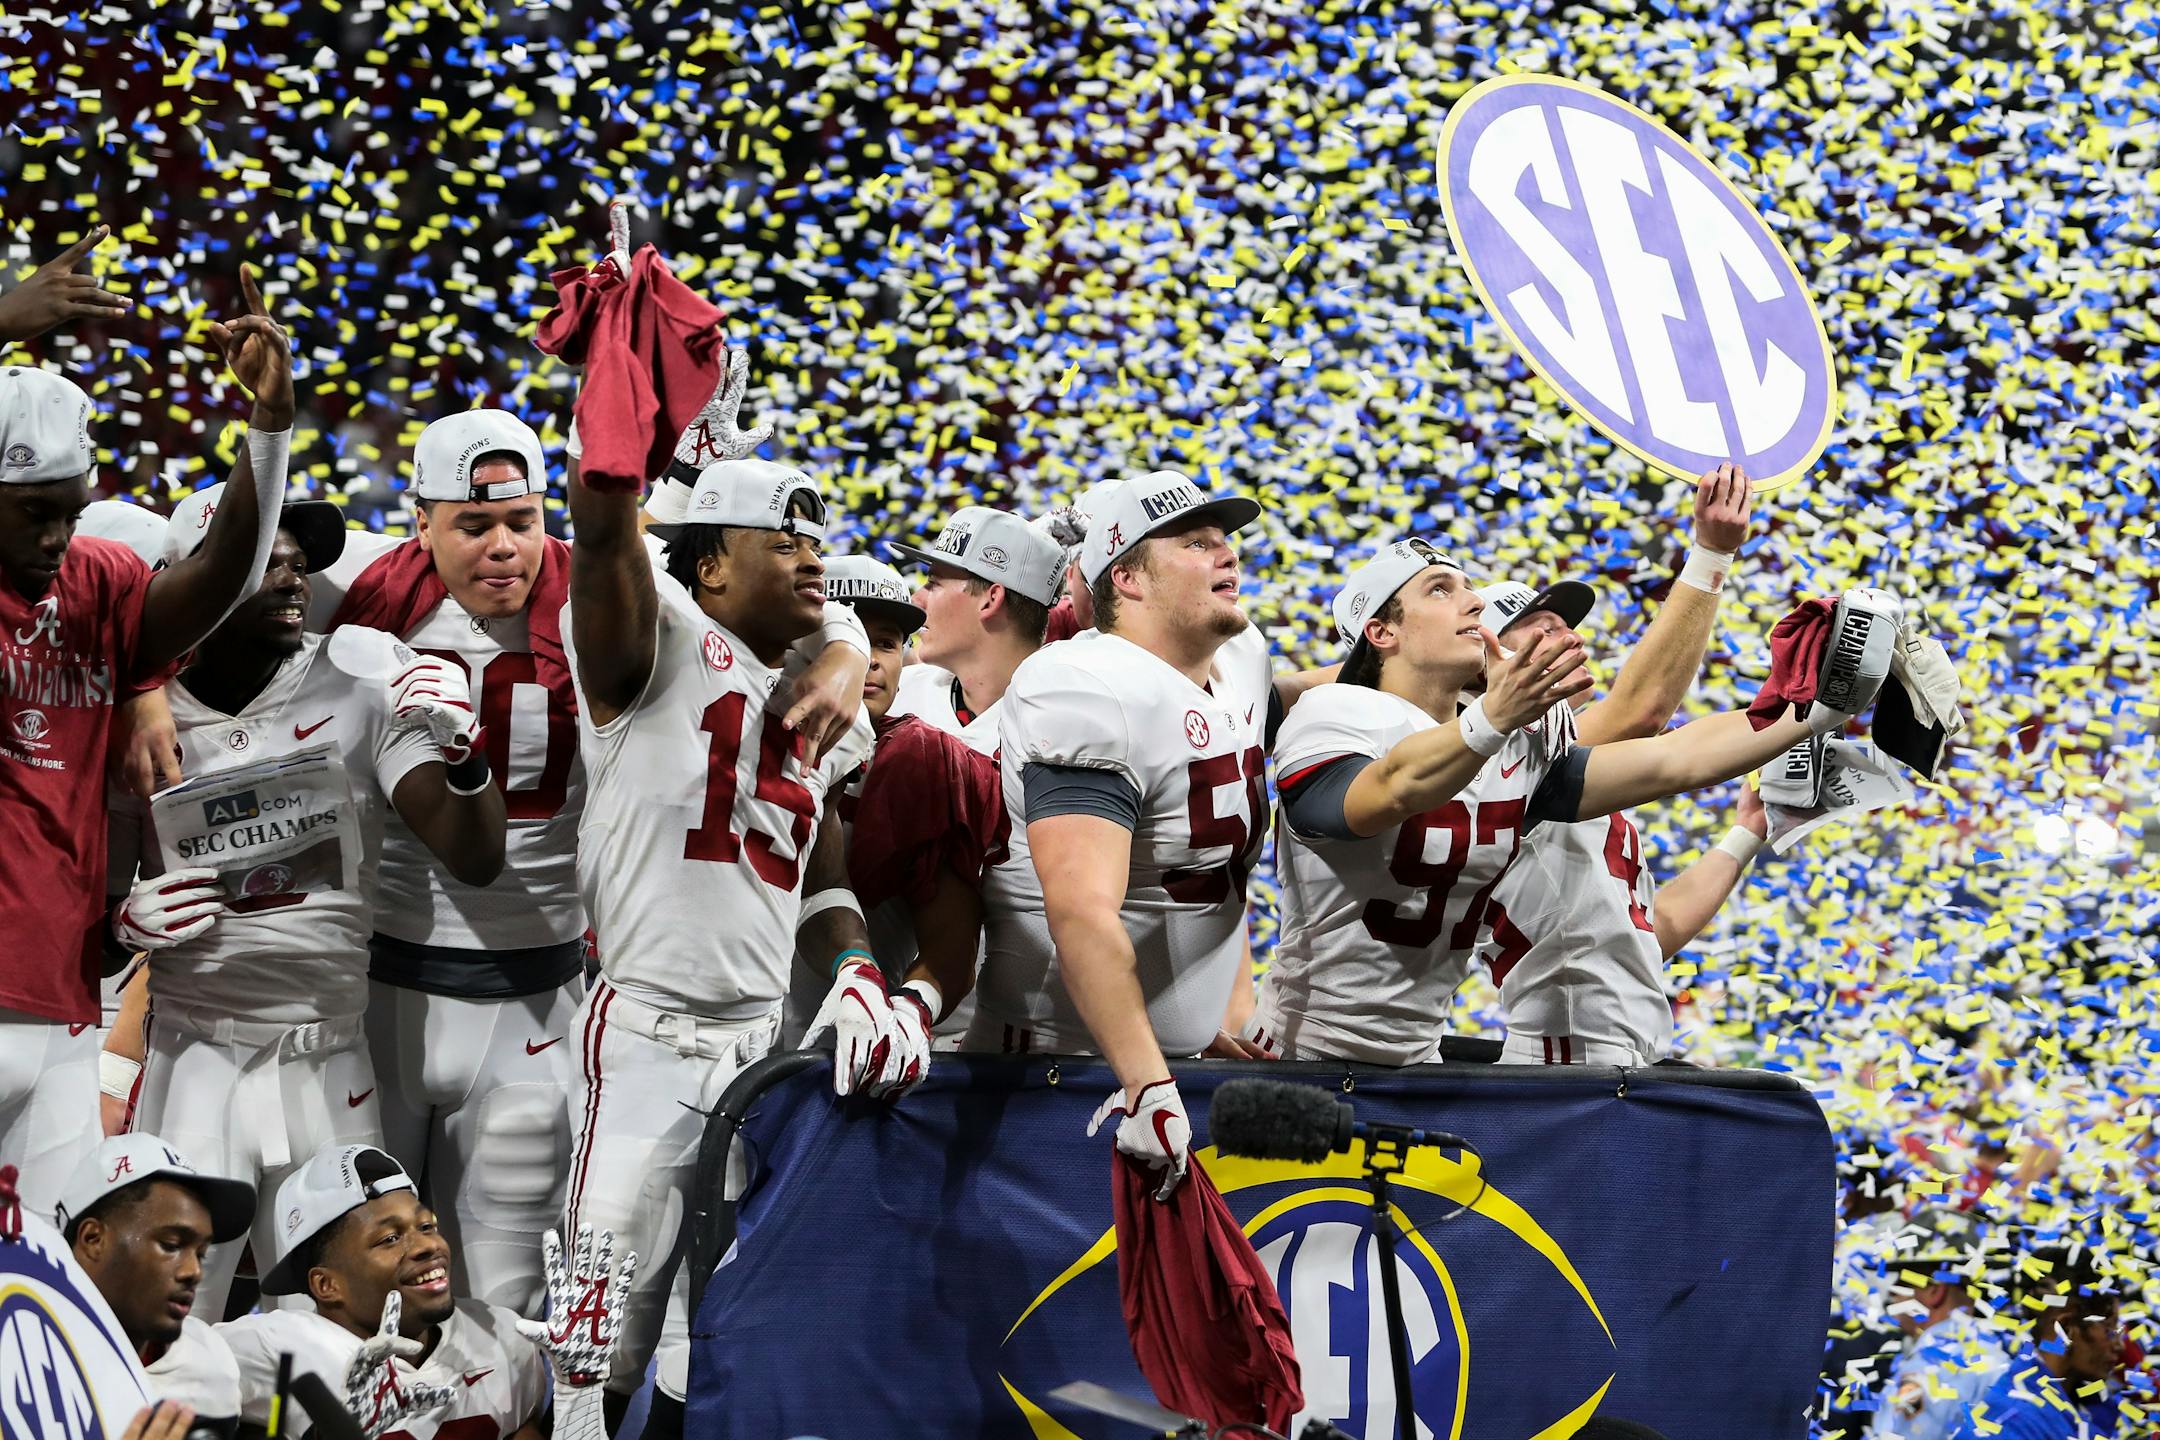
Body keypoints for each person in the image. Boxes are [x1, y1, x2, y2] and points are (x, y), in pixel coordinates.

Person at [1252, 538, 1891, 1066]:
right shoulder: (1338, 711)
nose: (1470, 598)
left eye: (1465, 584)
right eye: (1439, 589)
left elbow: (1673, 758)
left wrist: (1818, 708)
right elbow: (1369, 800)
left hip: (1415, 1058)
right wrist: (1494, 717)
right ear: (1380, 631)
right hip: (1300, 1052)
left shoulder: (1511, 747)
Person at [104, 487, 508, 1320]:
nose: (292, 580)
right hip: (194, 1057)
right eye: (262, 563)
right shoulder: (140, 710)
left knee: (355, 1329)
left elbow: (473, 855)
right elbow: (99, 916)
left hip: (332, 1060)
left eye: (298, 561)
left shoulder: (358, 677)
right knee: (163, 1323)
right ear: (196, 581)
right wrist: (123, 918)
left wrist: (463, 751)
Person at [562, 410, 888, 1434]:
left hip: (759, 1050)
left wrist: (858, 969)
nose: (810, 557)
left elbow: (818, 864)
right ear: (708, 570)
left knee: (711, 1338)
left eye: (812, 538)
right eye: (782, 541)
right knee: (592, 1332)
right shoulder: (653, 636)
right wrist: (618, 421)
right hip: (648, 1034)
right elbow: (610, 539)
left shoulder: (816, 691)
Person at [0, 264, 296, 1215]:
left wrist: (269, 432)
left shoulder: (97, 579)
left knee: (45, 1285)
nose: (56, 533)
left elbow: (222, 576)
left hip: (60, 994)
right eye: (32, 510)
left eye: (71, 507)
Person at [974, 469, 1277, 1199]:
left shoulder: (1239, 659)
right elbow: (1081, 908)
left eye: (1226, 540)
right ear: (1130, 578)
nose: (1227, 555)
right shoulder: (1084, 685)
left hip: (1165, 1060)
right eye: (1198, 543)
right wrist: (1146, 1082)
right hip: (1058, 1075)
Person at [1464, 464, 1762, 1066]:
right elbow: (1643, 712)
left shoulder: (1570, 768)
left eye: (1564, 625)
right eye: (1537, 632)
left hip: (1620, 1056)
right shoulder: (1504, 756)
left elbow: (1654, 931)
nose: (1569, 637)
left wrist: (1746, 833)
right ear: (1482, 668)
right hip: (1568, 1066)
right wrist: (1710, 555)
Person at [221, 1143, 631, 1440]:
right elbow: (162, 1395)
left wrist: (580, 1390)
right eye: (389, 1239)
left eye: (426, 1226)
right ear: (326, 1285)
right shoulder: (274, 1350)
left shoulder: (499, 1335)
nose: (427, 1246)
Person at [794, 554, 1006, 1051]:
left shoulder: (926, 757)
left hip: (843, 1054)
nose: (867, 659)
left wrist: (912, 1008)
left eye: (886, 643)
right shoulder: (741, 734)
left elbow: (951, 945)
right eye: (847, 637)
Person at [56, 1133, 257, 1421]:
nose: (194, 1272)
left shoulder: (209, 1367)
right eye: (171, 1245)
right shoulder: (22, 1352)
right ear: (93, 1239)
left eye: (201, 1253)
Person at [886, 505, 1068, 753]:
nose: (916, 599)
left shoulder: (1063, 725)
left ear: (990, 600)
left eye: (933, 583)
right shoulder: (899, 691)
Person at [1948, 1247, 2123, 1439]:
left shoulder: (2097, 1406)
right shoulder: (2007, 1425)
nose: (2119, 1345)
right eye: (2109, 1329)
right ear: (2065, 1327)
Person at [1867, 1208, 2010, 1440]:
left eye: (1902, 1283)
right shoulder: (1999, 1357)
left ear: (1934, 1291)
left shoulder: (1930, 1367)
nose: (1892, 1295)